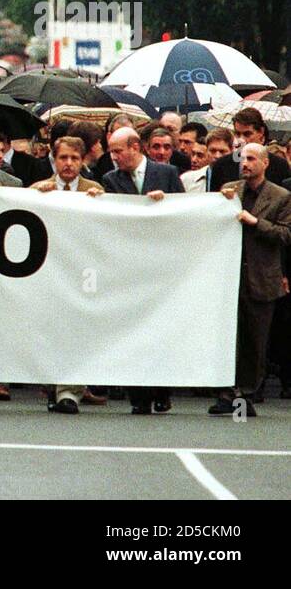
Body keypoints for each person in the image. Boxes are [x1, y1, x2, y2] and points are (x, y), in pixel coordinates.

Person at [101, 126, 184, 415]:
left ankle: (162, 392)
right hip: (129, 267)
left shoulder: (168, 174)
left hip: (162, 266)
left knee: (161, 330)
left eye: (117, 151)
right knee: (132, 329)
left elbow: (186, 211)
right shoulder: (110, 179)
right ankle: (138, 394)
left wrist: (168, 203)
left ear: (135, 147)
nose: (114, 157)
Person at [213, 145, 291, 417]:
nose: (245, 163)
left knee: (255, 340)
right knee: (227, 337)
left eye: (251, 159)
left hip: (261, 277)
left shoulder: (281, 196)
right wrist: (219, 202)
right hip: (229, 276)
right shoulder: (230, 190)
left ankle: (246, 393)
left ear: (265, 163)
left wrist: (256, 222)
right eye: (242, 158)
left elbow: (286, 235)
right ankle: (226, 393)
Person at [31, 137, 104, 414]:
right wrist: (34, 196)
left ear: (82, 160)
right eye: (63, 158)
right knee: (50, 328)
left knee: (77, 328)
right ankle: (52, 386)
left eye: (74, 158)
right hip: (48, 270)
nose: (69, 164)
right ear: (54, 159)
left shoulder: (94, 189)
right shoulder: (40, 189)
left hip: (81, 272)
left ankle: (70, 392)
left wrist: (101, 204)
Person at [233, 107, 291, 184]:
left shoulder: (280, 165)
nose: (242, 139)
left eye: (247, 134)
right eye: (238, 134)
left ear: (261, 131)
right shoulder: (224, 165)